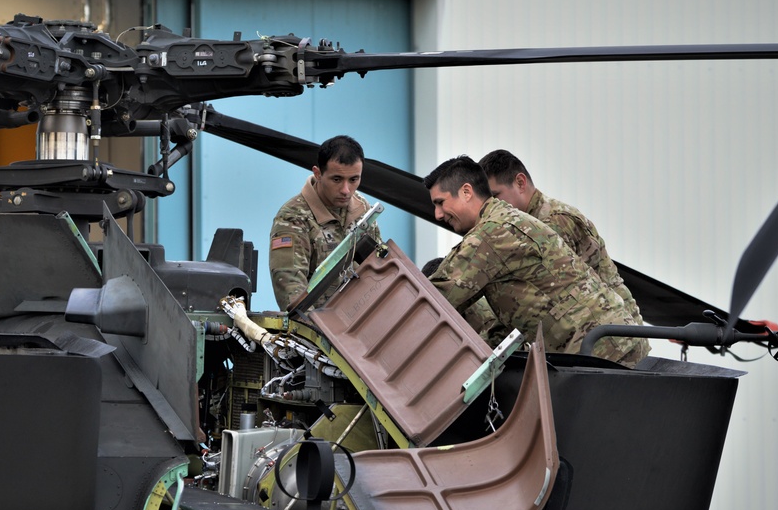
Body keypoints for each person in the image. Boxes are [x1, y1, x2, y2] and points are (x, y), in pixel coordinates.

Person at [423, 155, 649, 367]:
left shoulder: (491, 234)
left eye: (441, 202)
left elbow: (435, 300)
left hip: (600, 350)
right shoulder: (506, 220)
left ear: (466, 192)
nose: (438, 214)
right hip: (606, 343)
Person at [479, 149, 644, 325]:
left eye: (496, 196)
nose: (491, 207)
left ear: (520, 183)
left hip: (611, 331)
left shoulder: (554, 221)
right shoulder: (527, 224)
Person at [270, 135, 382, 310]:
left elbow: (378, 269)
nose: (346, 190)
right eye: (336, 179)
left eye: (354, 180)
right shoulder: (293, 217)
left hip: (359, 322)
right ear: (318, 173)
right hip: (315, 330)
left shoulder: (363, 209)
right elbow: (291, 292)